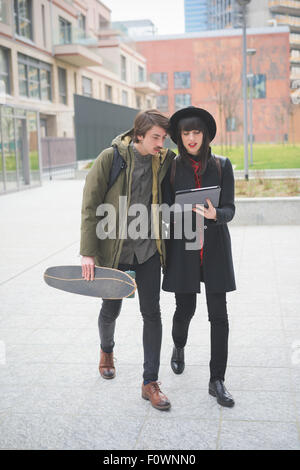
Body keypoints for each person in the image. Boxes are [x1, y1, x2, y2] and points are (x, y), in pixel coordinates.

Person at [80, 109, 175, 411]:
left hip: (147, 250)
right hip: (115, 251)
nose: (162, 143)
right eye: (156, 137)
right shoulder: (111, 158)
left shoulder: (164, 162)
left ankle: (150, 382)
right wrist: (88, 252)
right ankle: (106, 351)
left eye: (164, 137)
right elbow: (90, 204)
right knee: (111, 309)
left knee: (152, 313)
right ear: (139, 136)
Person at [162, 106, 236, 407]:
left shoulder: (221, 165)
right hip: (185, 249)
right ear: (179, 137)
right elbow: (163, 211)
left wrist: (215, 213)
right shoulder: (171, 168)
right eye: (186, 133)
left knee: (219, 317)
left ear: (204, 135)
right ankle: (179, 346)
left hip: (215, 249)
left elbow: (230, 209)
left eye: (197, 132)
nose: (192, 138)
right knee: (185, 309)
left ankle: (216, 379)